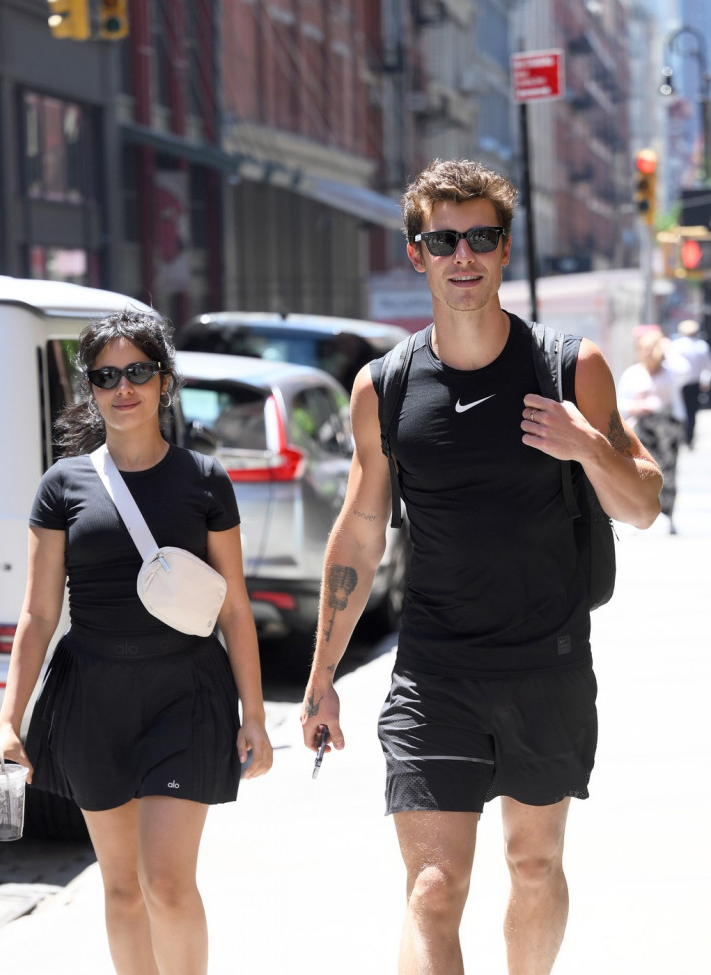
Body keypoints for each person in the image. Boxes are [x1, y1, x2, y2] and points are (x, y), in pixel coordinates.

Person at [300, 158, 663, 975]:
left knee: (534, 866)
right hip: (434, 672)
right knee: (432, 887)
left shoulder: (572, 367)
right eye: (443, 239)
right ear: (416, 253)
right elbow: (360, 535)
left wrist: (586, 444)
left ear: (503, 250)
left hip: (548, 664)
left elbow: (641, 503)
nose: (462, 255)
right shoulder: (384, 389)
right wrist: (323, 674)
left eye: (481, 237)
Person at [0, 310, 272, 975]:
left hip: (186, 695)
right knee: (121, 887)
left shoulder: (204, 480)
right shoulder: (62, 486)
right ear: (91, 387)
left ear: (164, 381)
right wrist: (5, 724)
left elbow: (236, 608)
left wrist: (254, 713)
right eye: (107, 375)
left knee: (167, 882)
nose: (123, 387)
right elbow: (38, 614)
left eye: (138, 371)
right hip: (92, 701)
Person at [617, 327, 688, 534]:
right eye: (645, 348)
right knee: (641, 472)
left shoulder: (670, 371)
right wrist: (636, 406)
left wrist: (667, 346)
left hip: (667, 429)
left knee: (669, 473)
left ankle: (668, 515)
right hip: (642, 430)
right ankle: (639, 516)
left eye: (652, 348)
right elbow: (618, 403)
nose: (649, 352)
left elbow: (685, 369)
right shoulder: (633, 373)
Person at [671, 318, 711, 448]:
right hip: (694, 384)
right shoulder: (701, 346)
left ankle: (680, 436)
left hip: (678, 385)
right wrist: (706, 381)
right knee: (691, 412)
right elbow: (707, 367)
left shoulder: (676, 345)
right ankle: (688, 437)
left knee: (679, 410)